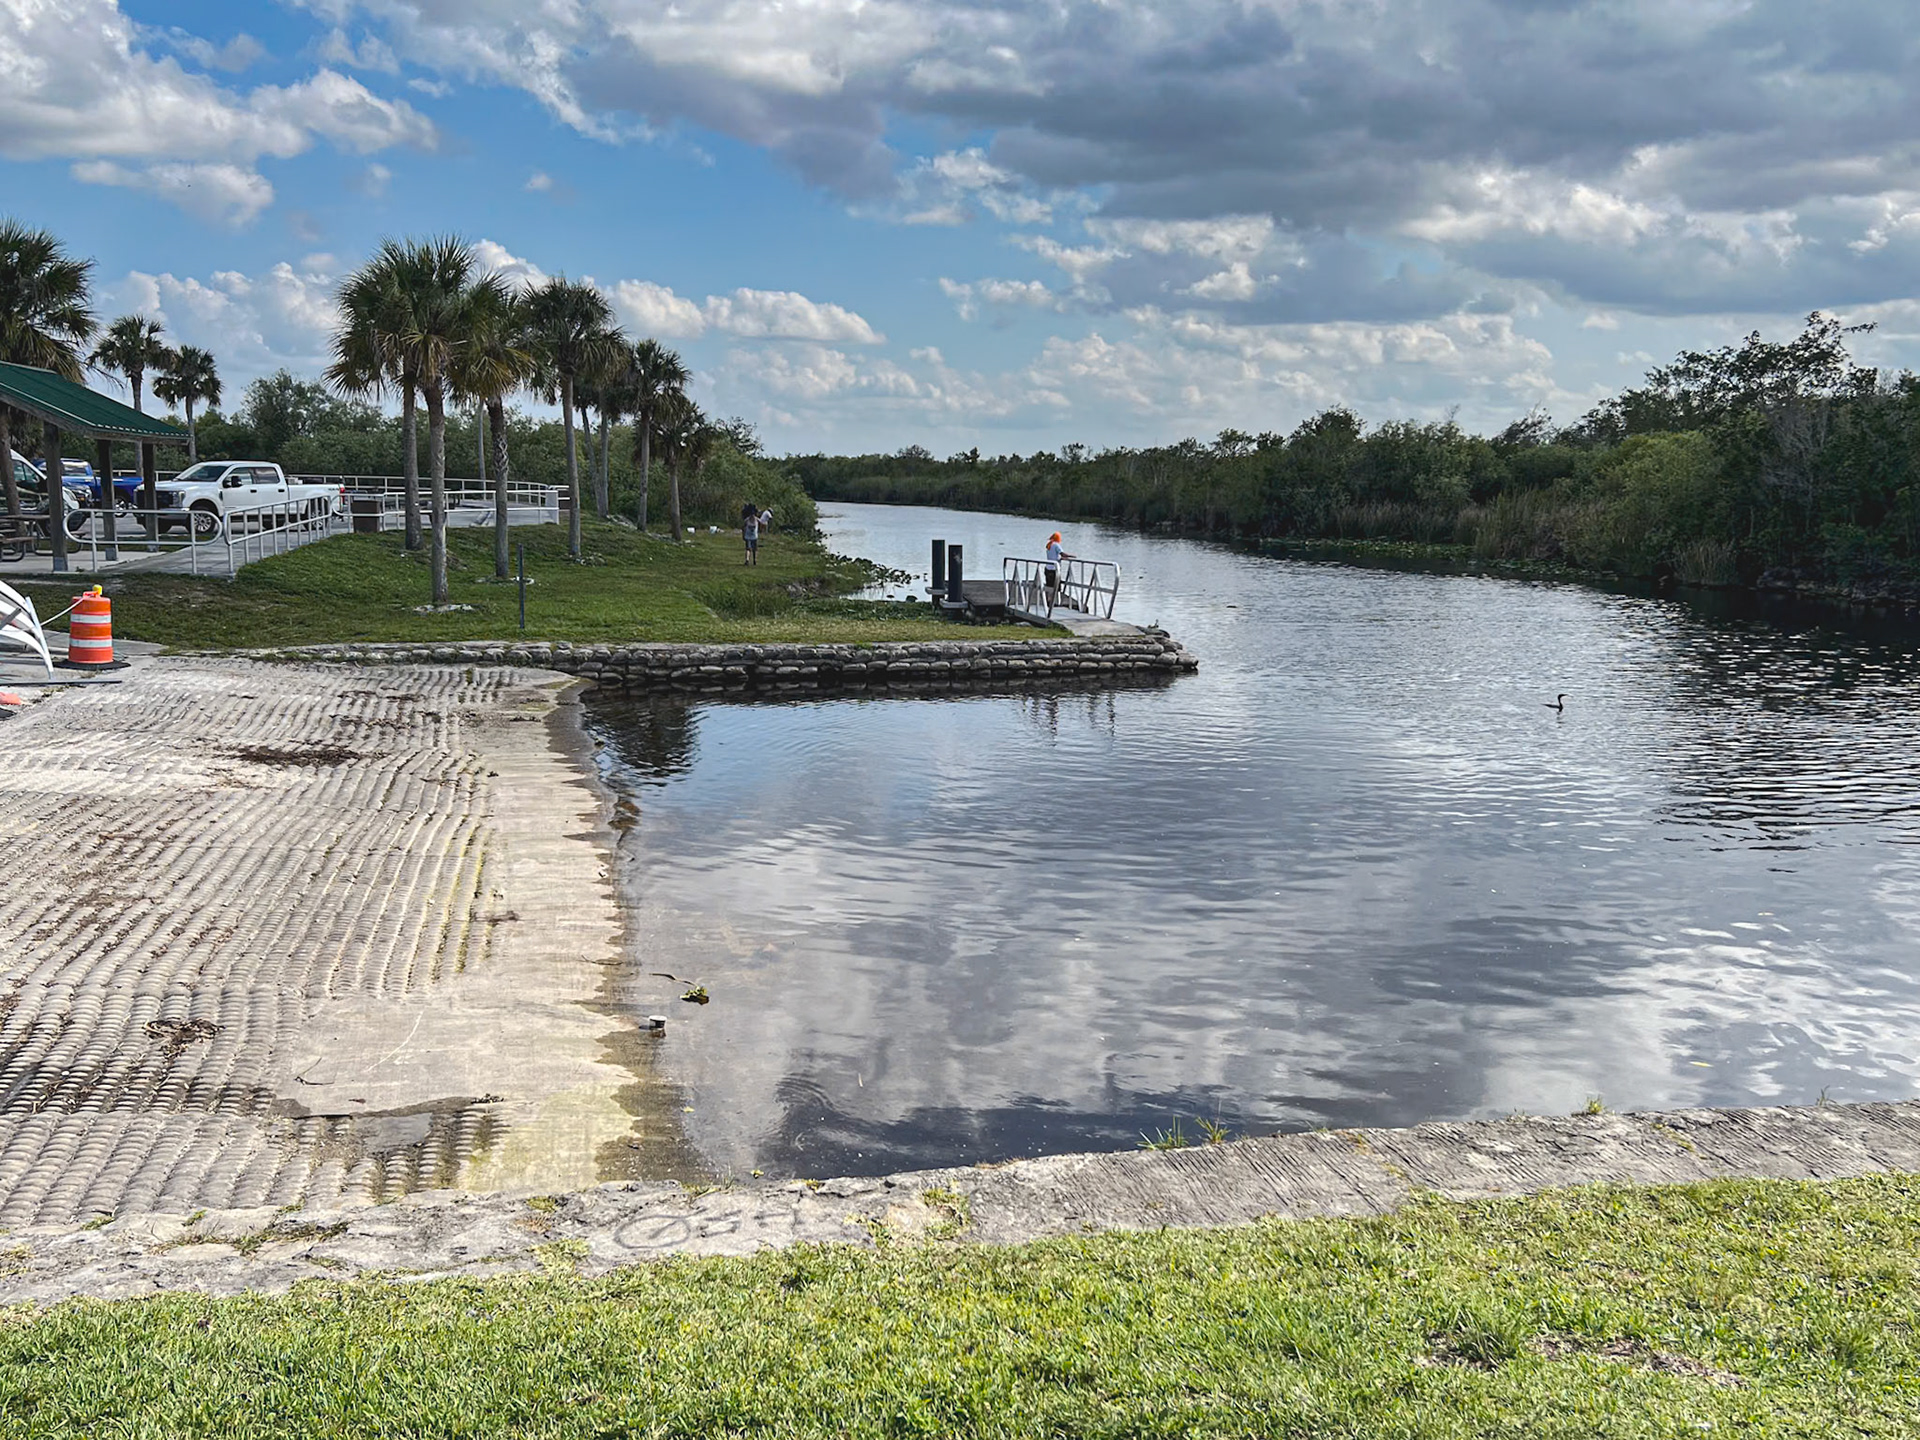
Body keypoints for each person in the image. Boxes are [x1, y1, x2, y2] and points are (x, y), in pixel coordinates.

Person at [1043, 530, 1071, 610]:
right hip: (1054, 569)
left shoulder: (1049, 545)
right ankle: (1056, 603)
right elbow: (1062, 553)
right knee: (1056, 586)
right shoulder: (1056, 545)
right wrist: (1070, 556)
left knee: (1049, 586)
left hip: (1048, 568)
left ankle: (1048, 601)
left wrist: (1060, 558)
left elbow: (1053, 556)